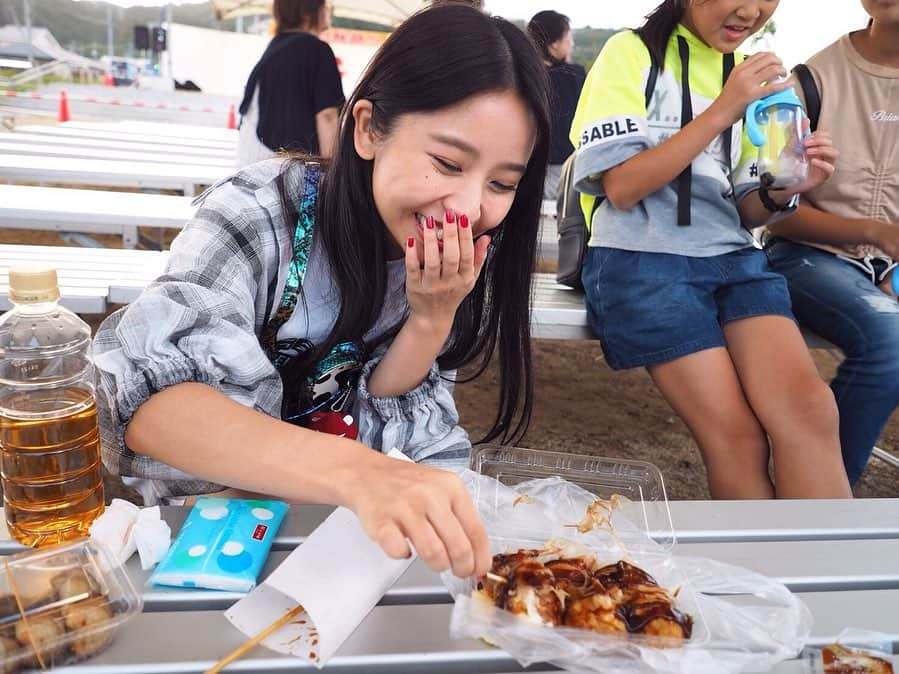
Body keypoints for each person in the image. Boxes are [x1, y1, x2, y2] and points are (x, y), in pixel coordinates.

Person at [92, 3, 550, 579]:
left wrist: (431, 319)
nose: (467, 209)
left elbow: (394, 424)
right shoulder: (258, 214)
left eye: (502, 182)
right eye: (447, 162)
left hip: (347, 551)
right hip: (212, 543)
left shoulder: (451, 263)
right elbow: (150, 403)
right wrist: (358, 473)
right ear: (366, 129)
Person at [569, 0, 851, 499]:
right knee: (738, 439)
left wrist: (787, 185)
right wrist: (725, 108)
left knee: (811, 412)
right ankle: (759, 576)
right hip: (643, 260)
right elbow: (621, 186)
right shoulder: (630, 53)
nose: (751, 9)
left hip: (735, 259)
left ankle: (817, 571)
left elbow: (749, 211)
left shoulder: (749, 75)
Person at [764, 0, 899, 485]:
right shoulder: (808, 82)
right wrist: (875, 233)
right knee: (892, 342)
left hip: (887, 271)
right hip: (808, 259)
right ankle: (819, 510)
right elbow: (776, 218)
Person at [237, 0, 344, 165]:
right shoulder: (317, 50)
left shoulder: (273, 49)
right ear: (309, 11)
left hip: (252, 164)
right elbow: (327, 115)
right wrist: (332, 169)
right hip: (287, 173)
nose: (329, 10)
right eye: (325, 5)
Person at [527, 10, 586, 200]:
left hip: (527, 164)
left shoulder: (522, 75)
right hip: (566, 166)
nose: (572, 44)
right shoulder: (574, 76)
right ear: (554, 45)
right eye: (569, 38)